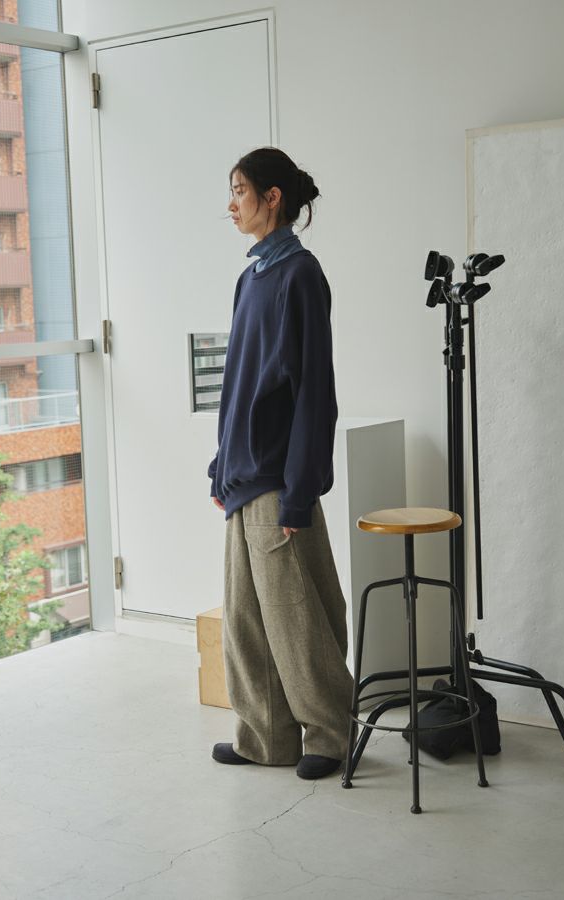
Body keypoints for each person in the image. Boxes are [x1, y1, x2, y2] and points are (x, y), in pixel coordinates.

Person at [208, 147, 355, 780]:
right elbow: (238, 383)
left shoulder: (300, 275)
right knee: (245, 620)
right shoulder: (251, 279)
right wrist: (220, 463)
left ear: (273, 198)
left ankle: (330, 736)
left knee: (297, 618)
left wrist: (301, 490)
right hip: (242, 476)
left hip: (277, 479)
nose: (231, 204)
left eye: (240, 191)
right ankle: (265, 738)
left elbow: (313, 392)